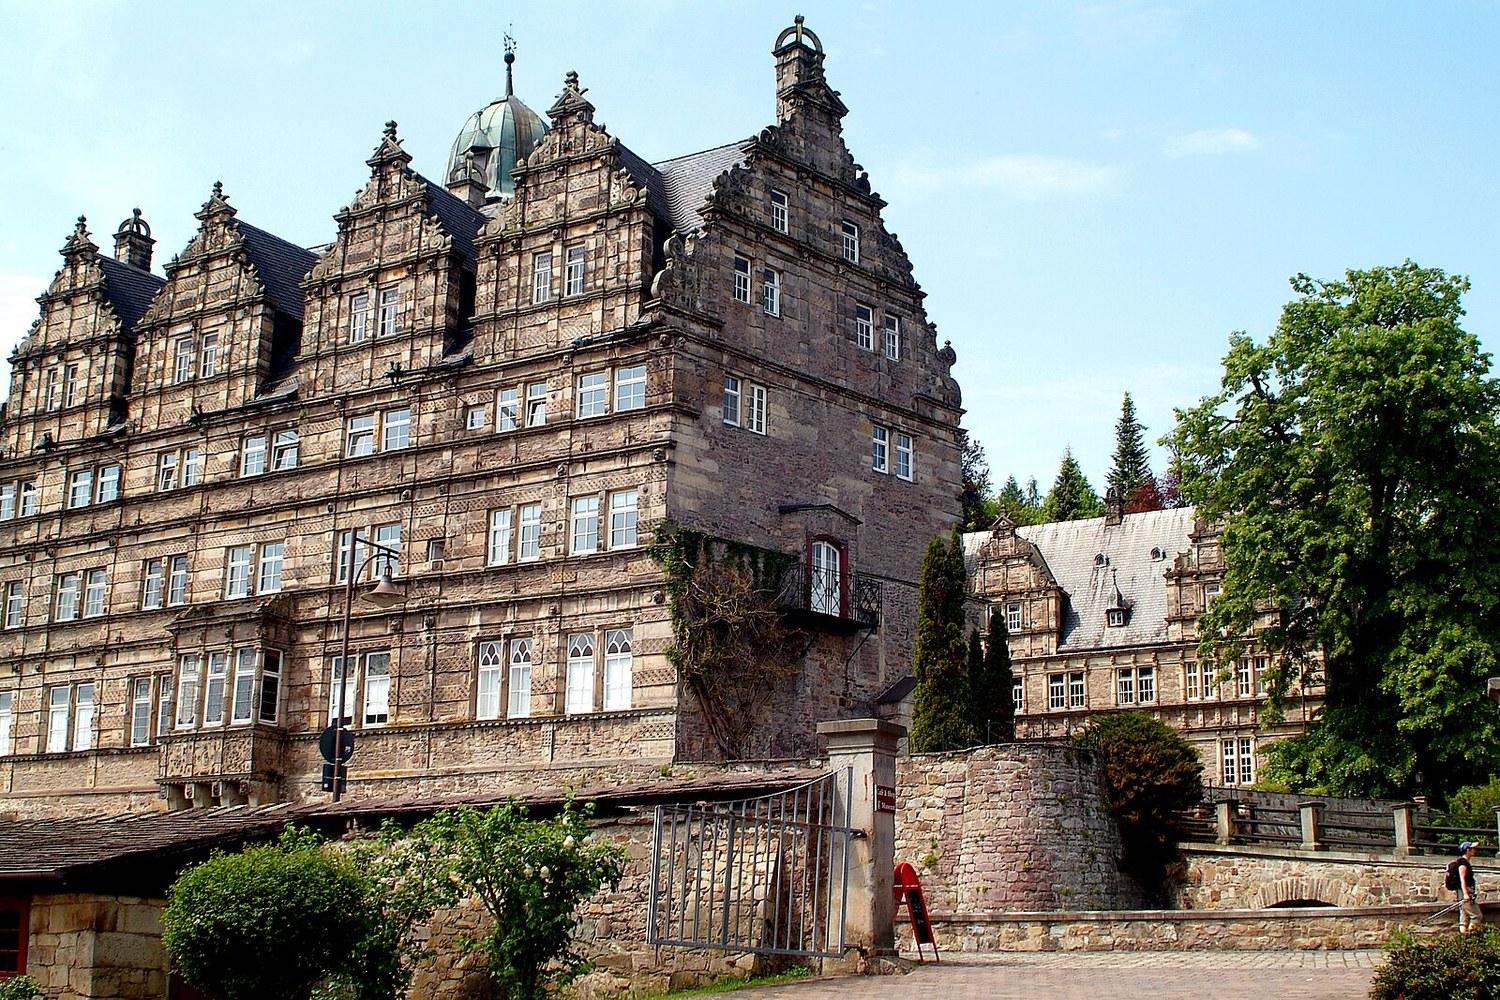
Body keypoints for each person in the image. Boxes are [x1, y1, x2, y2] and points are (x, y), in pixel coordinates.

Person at [1457, 841, 1482, 933]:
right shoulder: (1463, 864)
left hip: (1463, 892)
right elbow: (1462, 880)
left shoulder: (1463, 862)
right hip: (1466, 892)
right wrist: (1466, 894)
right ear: (1467, 850)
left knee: (1464, 917)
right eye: (1473, 849)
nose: (1475, 850)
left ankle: (1463, 939)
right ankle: (1470, 937)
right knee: (1477, 916)